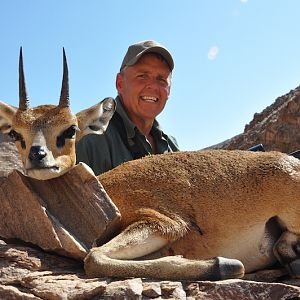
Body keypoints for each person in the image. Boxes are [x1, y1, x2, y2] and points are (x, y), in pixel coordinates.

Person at [76, 40, 179, 175]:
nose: (153, 86)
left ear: (169, 91)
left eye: (161, 79)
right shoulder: (90, 137)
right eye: (142, 76)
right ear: (120, 84)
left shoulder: (171, 145)